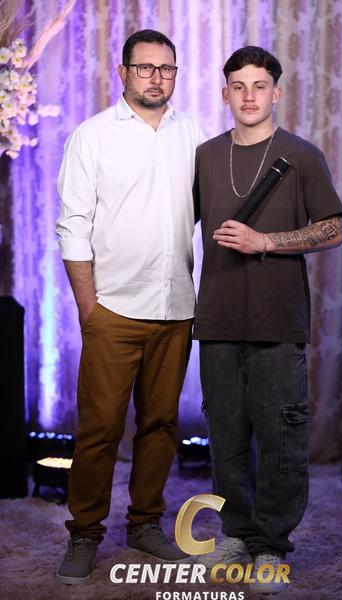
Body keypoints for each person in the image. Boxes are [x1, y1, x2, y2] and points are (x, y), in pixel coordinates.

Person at [55, 29, 205, 585]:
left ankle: (145, 524)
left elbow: (204, 209)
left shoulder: (193, 133)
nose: (156, 78)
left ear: (175, 74)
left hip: (176, 306)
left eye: (166, 69)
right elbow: (73, 224)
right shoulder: (92, 136)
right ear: (123, 73)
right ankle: (85, 533)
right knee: (99, 429)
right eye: (145, 68)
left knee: (161, 424)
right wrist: (88, 308)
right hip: (113, 309)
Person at [194, 46, 342, 594]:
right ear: (225, 93)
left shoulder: (301, 155)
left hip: (278, 321)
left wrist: (266, 242)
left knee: (281, 440)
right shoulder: (206, 155)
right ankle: (237, 534)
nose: (249, 95)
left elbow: (333, 229)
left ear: (276, 92)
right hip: (216, 318)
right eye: (239, 86)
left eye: (260, 85)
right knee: (226, 438)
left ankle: (272, 546)